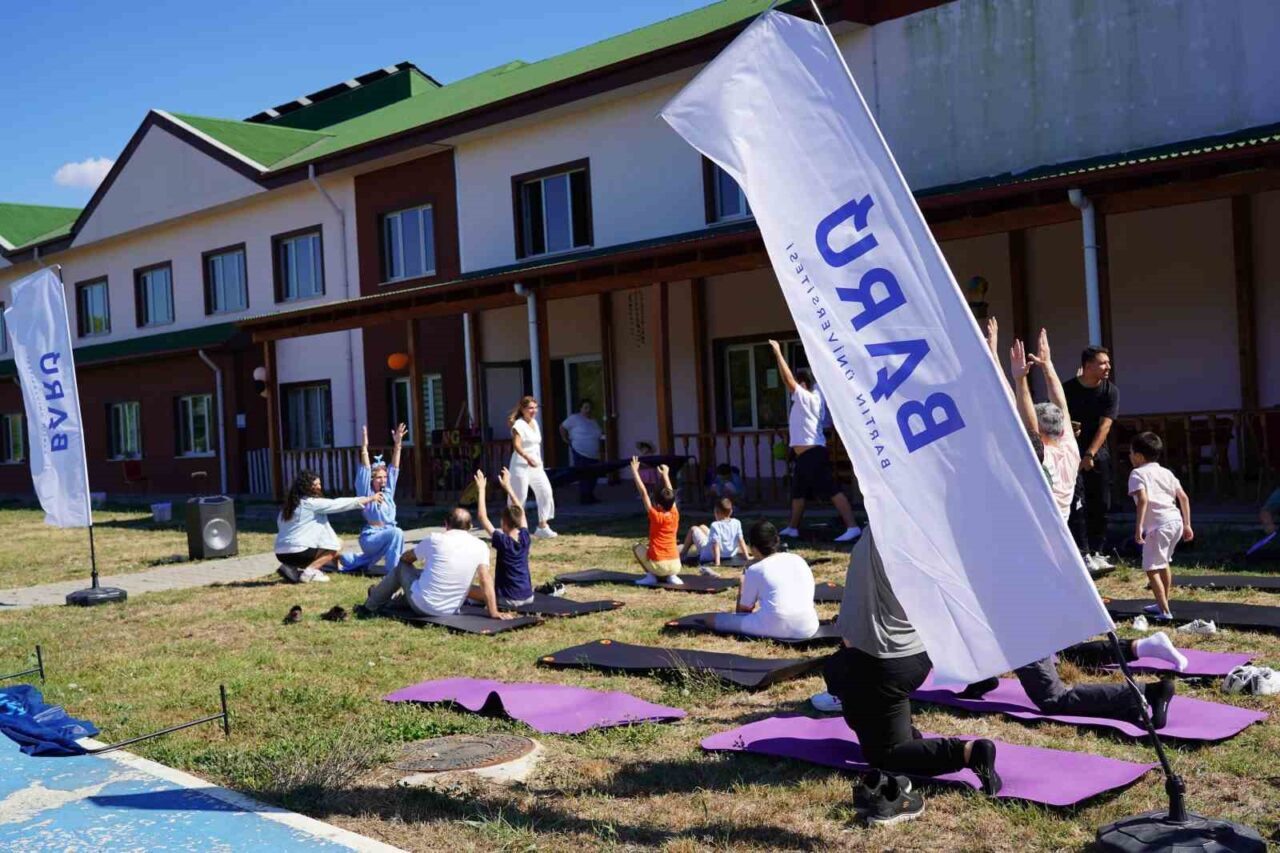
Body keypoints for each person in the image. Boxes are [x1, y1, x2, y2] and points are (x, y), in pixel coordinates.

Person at [824, 529, 1002, 825]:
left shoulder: (883, 532)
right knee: (851, 687)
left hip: (881, 664)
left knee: (884, 756)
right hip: (911, 655)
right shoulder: (918, 533)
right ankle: (901, 731)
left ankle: (969, 753)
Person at [766, 339, 861, 543]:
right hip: (806, 455)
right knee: (798, 492)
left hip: (813, 454)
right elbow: (819, 376)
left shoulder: (806, 398)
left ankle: (852, 527)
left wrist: (778, 353)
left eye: (798, 382)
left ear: (803, 384)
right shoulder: (817, 394)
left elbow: (787, 380)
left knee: (831, 489)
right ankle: (793, 528)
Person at [358, 506, 508, 620]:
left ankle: (370, 605)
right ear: (470, 527)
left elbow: (406, 559)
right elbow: (485, 579)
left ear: (446, 524)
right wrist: (493, 612)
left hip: (423, 605)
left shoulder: (435, 539)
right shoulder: (481, 546)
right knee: (422, 578)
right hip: (450, 610)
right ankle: (388, 600)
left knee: (402, 568)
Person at [1008, 330, 1079, 524]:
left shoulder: (1043, 455)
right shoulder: (1070, 449)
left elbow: (1030, 426)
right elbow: (1061, 405)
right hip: (1062, 527)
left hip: (1042, 529)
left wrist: (1020, 379)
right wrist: (1047, 365)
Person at [708, 520, 819, 641]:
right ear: (777, 541)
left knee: (714, 620)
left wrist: (742, 582)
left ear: (753, 548)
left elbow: (743, 611)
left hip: (776, 626)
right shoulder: (798, 559)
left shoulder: (756, 569)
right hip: (809, 626)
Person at [1063, 346, 1119, 570]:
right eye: (1103, 363)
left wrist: (1090, 454)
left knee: (1101, 502)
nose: (1108, 367)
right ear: (1087, 366)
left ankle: (1098, 551)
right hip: (1071, 454)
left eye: (1108, 362)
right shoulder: (1067, 389)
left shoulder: (1110, 391)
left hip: (1097, 454)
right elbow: (1056, 416)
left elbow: (1105, 425)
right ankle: (1082, 552)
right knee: (1077, 503)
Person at [1129, 431, 1194, 621]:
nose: (1129, 456)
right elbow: (1183, 497)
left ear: (1139, 456)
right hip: (1175, 521)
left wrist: (1138, 528)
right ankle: (1162, 603)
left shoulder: (1137, 473)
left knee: (1151, 568)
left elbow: (1143, 500)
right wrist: (1187, 524)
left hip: (1159, 526)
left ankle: (1165, 611)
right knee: (1163, 562)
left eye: (1131, 453)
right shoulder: (1166, 472)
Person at [275, 470, 382, 583]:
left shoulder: (288, 507)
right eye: (315, 485)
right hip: (298, 552)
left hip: (281, 554)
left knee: (324, 542)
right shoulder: (311, 503)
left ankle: (291, 568)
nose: (319, 487)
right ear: (306, 487)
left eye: (320, 484)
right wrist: (369, 498)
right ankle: (310, 572)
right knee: (336, 545)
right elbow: (338, 504)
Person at [339, 423, 407, 576]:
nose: (383, 480)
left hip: (387, 534)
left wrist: (398, 444)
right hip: (371, 538)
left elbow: (394, 469)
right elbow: (365, 469)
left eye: (384, 477)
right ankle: (393, 573)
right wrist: (364, 448)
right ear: (371, 480)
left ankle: (351, 560)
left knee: (394, 536)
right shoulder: (366, 494)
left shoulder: (388, 494)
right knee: (397, 533)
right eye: (379, 478)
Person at [473, 468, 534, 609]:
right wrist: (508, 487)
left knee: (468, 591)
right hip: (528, 596)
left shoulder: (503, 541)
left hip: (508, 599)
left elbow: (482, 517)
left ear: (504, 523)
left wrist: (481, 489)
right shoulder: (525, 537)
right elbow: (521, 512)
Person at [629, 455, 683, 587]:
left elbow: (644, 493)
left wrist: (635, 472)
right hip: (676, 565)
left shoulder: (655, 515)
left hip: (658, 565)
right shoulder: (675, 513)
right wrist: (665, 474)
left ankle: (651, 576)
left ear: (658, 504)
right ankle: (672, 576)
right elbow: (671, 494)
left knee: (636, 546)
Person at [508, 395, 557, 538]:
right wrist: (527, 457)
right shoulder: (519, 424)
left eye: (535, 408)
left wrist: (535, 460)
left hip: (536, 465)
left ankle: (542, 526)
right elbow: (517, 445)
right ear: (523, 409)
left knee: (546, 491)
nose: (533, 411)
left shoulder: (535, 423)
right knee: (519, 496)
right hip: (520, 465)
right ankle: (512, 527)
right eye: (530, 408)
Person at [680, 497, 748, 576]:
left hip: (708, 554)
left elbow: (716, 545)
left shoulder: (715, 525)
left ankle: (682, 555)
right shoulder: (737, 522)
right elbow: (741, 539)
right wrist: (747, 556)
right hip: (730, 553)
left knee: (693, 529)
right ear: (731, 511)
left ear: (717, 512)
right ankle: (683, 553)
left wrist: (717, 562)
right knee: (702, 527)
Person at [560, 400, 603, 505]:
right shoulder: (574, 418)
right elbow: (562, 427)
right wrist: (566, 439)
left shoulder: (593, 421)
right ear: (581, 408)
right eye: (585, 407)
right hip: (580, 452)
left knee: (593, 475)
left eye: (590, 408)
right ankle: (584, 497)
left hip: (594, 454)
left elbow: (599, 434)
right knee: (584, 474)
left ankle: (590, 495)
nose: (588, 410)